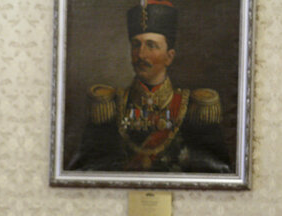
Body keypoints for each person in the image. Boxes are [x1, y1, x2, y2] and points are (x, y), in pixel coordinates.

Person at [67, 0, 231, 173]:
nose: (141, 54)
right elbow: (87, 172)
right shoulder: (109, 107)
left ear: (169, 56)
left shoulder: (195, 108)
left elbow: (216, 175)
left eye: (151, 45)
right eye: (136, 45)